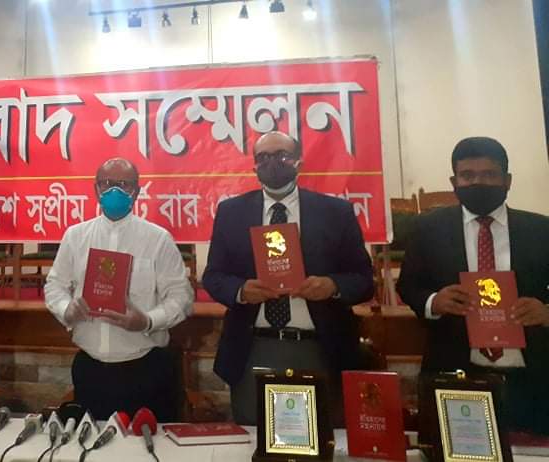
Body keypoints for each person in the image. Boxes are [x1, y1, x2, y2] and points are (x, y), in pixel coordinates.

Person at [203, 131, 374, 425]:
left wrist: (332, 286)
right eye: (263, 157)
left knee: (321, 436)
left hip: (320, 347)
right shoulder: (232, 212)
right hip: (253, 349)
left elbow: (363, 279)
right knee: (254, 436)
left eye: (282, 155)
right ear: (254, 166)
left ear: (298, 161)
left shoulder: (335, 212)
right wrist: (241, 290)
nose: (272, 163)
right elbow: (214, 276)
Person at [397, 136, 549, 434]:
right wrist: (433, 302)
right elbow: (410, 285)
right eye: (468, 176)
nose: (478, 182)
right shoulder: (427, 229)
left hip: (532, 377)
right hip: (455, 372)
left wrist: (546, 311)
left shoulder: (541, 230)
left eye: (489, 175)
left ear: (507, 180)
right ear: (454, 182)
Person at [44, 157, 194, 422]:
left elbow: (181, 297)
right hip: (91, 369)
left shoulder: (158, 239)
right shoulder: (75, 236)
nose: (114, 190)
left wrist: (147, 321)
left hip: (146, 369)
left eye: (124, 184)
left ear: (136, 191)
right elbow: (54, 286)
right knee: (92, 442)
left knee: (148, 443)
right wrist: (67, 309)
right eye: (106, 183)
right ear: (96, 189)